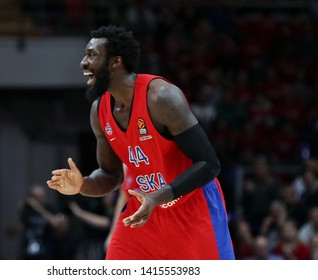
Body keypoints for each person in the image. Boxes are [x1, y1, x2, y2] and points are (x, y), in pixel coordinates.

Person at [47, 25, 235, 260]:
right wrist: (83, 185)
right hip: (144, 209)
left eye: (92, 55)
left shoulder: (162, 98)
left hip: (191, 206)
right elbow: (110, 175)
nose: (83, 62)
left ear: (115, 62)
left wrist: (158, 196)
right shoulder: (100, 110)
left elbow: (209, 164)